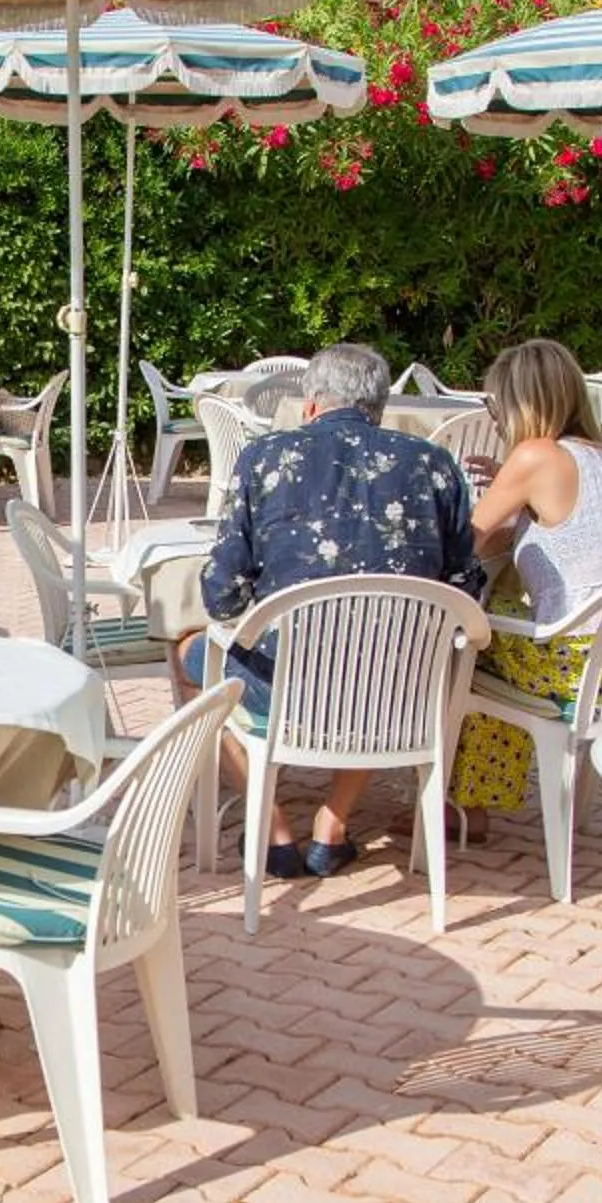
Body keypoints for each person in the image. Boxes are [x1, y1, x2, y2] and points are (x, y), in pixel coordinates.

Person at [174, 341, 482, 880]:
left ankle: (272, 830)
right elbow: (464, 583)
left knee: (189, 655)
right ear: (379, 405)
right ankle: (331, 826)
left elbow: (220, 592)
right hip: (396, 686)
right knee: (387, 658)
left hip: (289, 681)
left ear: (311, 402)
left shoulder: (265, 459)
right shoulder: (434, 465)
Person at [450, 339, 602, 839]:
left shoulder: (535, 457)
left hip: (576, 663)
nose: (495, 418)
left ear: (522, 401)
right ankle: (472, 802)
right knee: (488, 628)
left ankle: (458, 806)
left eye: (496, 404)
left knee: (463, 636)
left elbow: (462, 544)